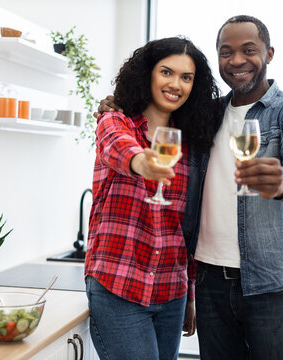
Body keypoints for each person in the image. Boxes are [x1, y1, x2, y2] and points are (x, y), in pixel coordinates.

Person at [96, 15, 283, 360]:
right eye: (226, 52)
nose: (237, 61)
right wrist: (119, 111)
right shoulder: (206, 117)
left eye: (249, 50)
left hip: (271, 281)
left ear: (269, 53)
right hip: (210, 280)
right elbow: (125, 140)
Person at [84, 36, 219, 360]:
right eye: (166, 72)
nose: (176, 84)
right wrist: (143, 162)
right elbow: (119, 148)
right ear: (148, 74)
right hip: (118, 285)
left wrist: (190, 295)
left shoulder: (188, 146)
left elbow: (186, 226)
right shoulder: (116, 120)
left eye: (186, 78)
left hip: (171, 290)